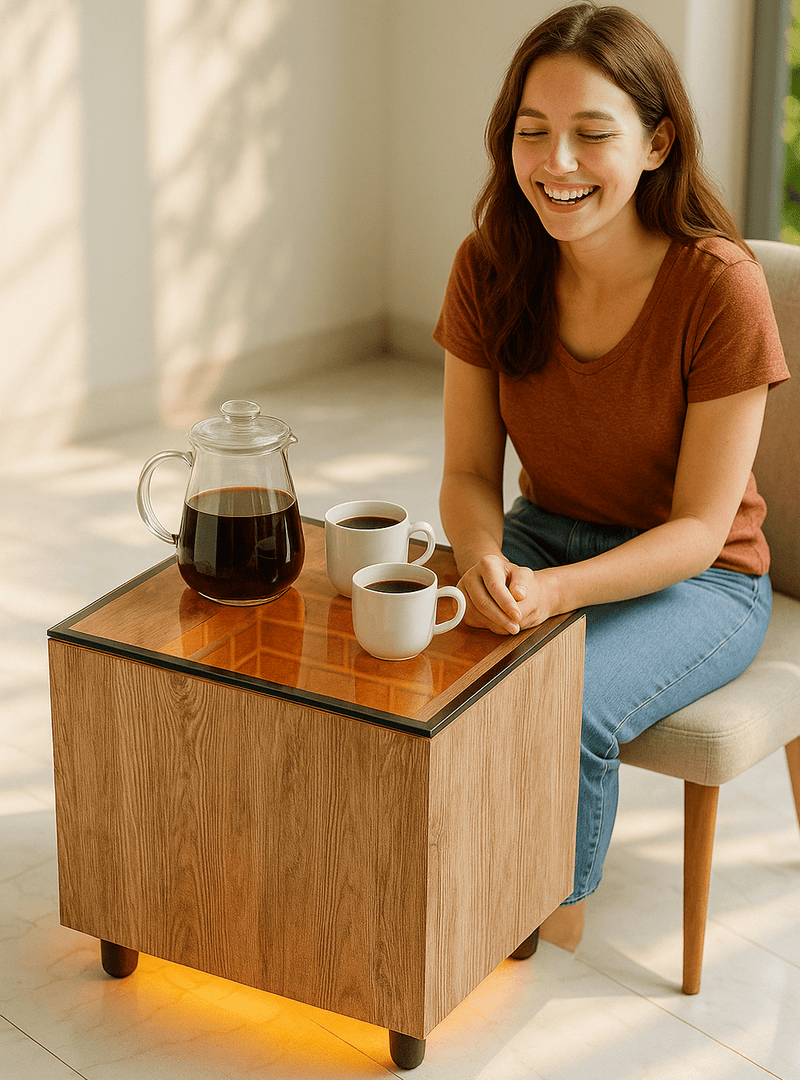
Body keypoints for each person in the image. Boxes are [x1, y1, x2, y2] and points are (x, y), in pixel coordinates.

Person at [434, 2, 790, 950]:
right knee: (399, 650)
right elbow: (469, 470)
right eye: (532, 132)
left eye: (593, 134)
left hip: (704, 580)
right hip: (541, 534)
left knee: (569, 700)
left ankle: (543, 929)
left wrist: (553, 595)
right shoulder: (488, 268)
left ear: (657, 142)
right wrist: (481, 558)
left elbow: (700, 533)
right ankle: (429, 870)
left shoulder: (717, 284)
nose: (557, 163)